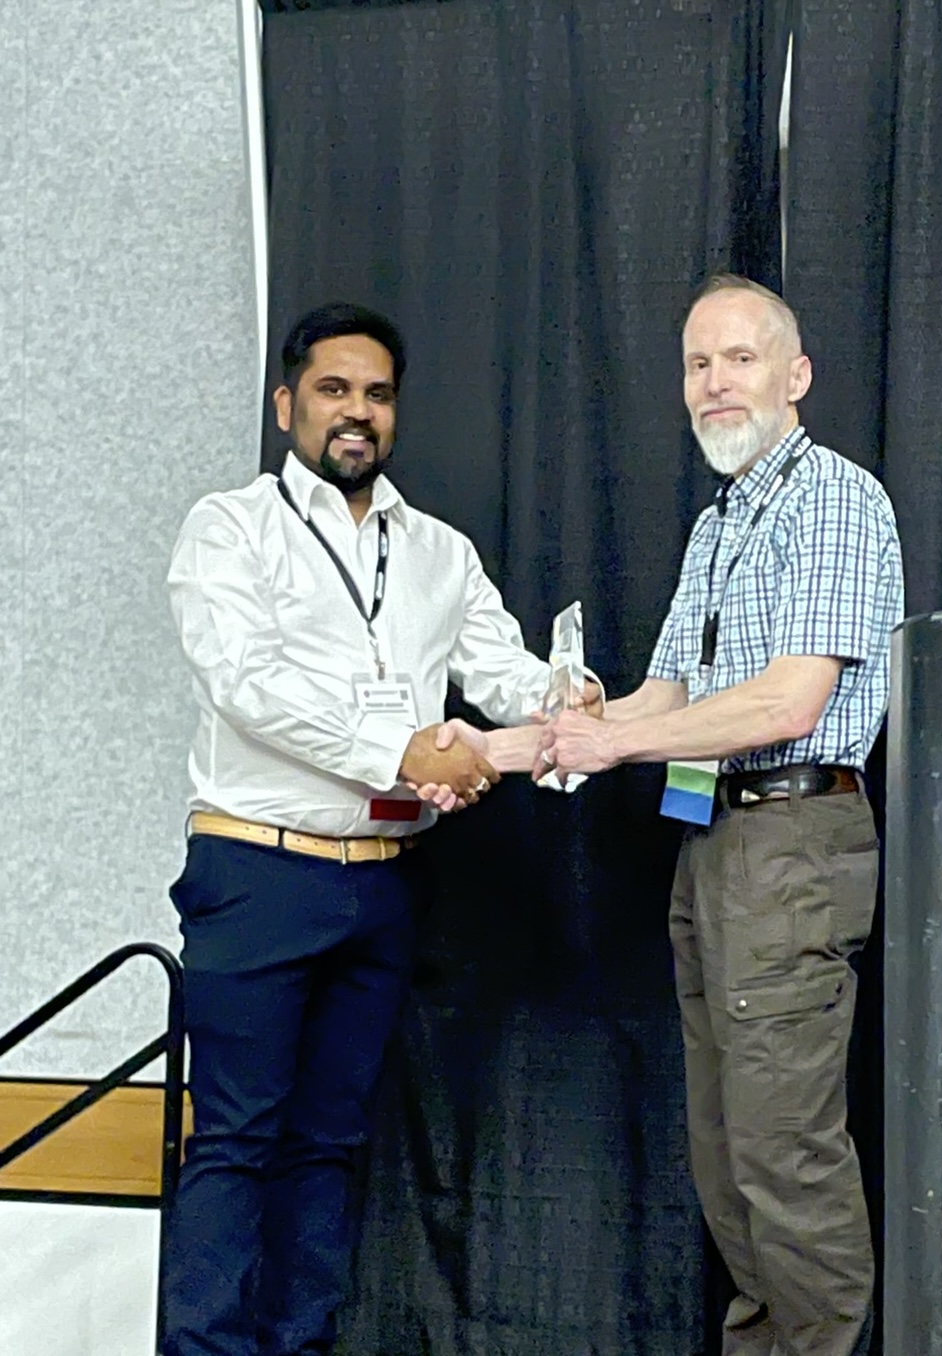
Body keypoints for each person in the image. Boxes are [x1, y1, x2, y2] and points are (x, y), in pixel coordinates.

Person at [441, 275, 904, 1356]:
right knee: (727, 1151)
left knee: (786, 1152)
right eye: (697, 365)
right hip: (718, 848)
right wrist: (493, 749)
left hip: (795, 839)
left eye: (738, 359)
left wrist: (615, 741)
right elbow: (664, 698)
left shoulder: (833, 498)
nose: (713, 384)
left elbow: (794, 698)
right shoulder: (720, 523)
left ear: (794, 377)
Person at [163, 302, 585, 1356]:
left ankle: (299, 1346)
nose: (356, 413)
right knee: (233, 1146)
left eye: (378, 395)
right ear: (286, 405)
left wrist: (573, 704)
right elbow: (247, 681)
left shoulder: (438, 551)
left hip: (383, 886)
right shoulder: (229, 527)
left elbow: (504, 674)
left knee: (327, 1148)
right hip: (258, 874)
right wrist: (403, 749)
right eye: (333, 390)